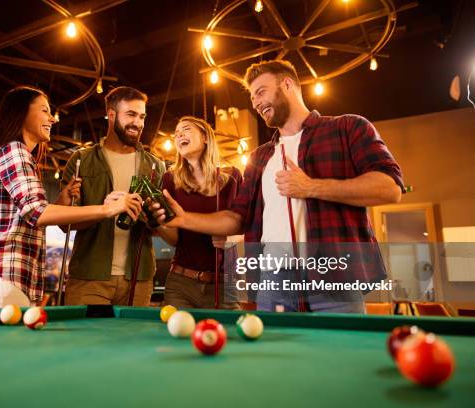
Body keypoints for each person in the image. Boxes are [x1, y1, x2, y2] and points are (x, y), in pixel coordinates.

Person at [153, 60, 404, 313]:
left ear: (287, 85)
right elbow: (235, 218)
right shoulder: (259, 157)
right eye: (252, 98)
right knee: (275, 354)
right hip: (274, 281)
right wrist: (183, 219)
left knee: (339, 352)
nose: (256, 103)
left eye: (261, 92)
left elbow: (390, 187)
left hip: (334, 275)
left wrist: (311, 187)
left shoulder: (347, 127)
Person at [0, 86, 142, 309]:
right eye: (45, 111)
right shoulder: (14, 150)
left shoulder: (19, 155)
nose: (52, 119)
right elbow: (36, 212)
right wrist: (108, 209)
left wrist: (59, 202)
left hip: (5, 283)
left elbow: (27, 215)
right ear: (21, 112)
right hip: (0, 281)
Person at [57, 86, 166, 306]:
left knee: (133, 340)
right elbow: (64, 223)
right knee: (86, 341)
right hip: (89, 277)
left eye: (142, 116)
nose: (138, 123)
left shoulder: (155, 166)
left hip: (139, 277)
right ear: (112, 115)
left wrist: (152, 219)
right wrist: (106, 210)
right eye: (131, 115)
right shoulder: (81, 160)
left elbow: (162, 226)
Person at [154, 116, 241, 309]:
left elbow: (247, 224)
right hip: (180, 283)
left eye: (186, 129)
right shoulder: (170, 179)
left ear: (205, 137)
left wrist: (233, 239)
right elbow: (174, 239)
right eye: (176, 134)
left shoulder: (233, 176)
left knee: (228, 338)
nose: (179, 135)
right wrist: (158, 221)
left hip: (223, 283)